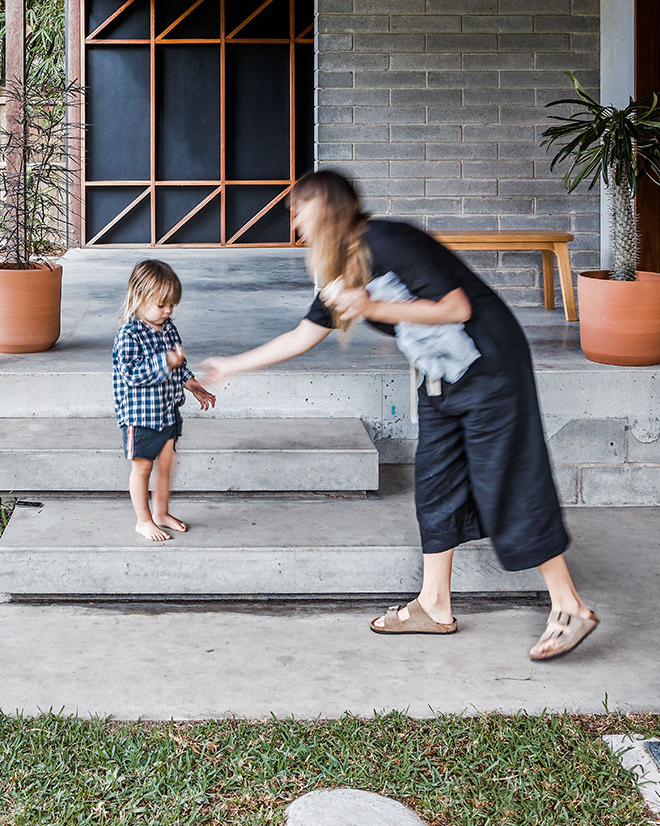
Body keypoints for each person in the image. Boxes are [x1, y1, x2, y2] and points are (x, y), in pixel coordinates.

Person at [198, 170, 598, 660]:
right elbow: (303, 335)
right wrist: (231, 366)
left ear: (328, 206)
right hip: (440, 376)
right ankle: (434, 604)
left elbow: (455, 308)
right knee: (436, 481)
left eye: (301, 208)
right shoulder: (340, 269)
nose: (296, 221)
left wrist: (372, 305)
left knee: (504, 478)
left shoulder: (386, 239)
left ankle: (569, 604)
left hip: (489, 364)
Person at [113, 258, 216, 542]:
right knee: (143, 467)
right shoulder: (129, 335)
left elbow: (179, 365)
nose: (168, 311)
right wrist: (165, 362)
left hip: (168, 413)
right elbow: (133, 374)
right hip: (141, 417)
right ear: (139, 298)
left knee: (167, 464)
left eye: (172, 305)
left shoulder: (168, 327)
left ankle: (160, 512)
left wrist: (193, 385)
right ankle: (143, 521)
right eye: (161, 305)